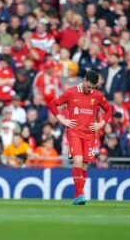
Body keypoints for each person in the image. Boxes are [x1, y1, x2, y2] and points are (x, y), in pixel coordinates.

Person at [48, 70, 112, 205]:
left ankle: (77, 197)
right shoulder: (70, 92)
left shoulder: (98, 95)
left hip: (89, 134)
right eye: (89, 86)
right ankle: (81, 194)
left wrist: (101, 123)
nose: (90, 90)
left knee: (84, 165)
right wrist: (62, 119)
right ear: (84, 80)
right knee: (78, 160)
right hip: (74, 132)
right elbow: (53, 104)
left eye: (93, 88)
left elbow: (109, 109)